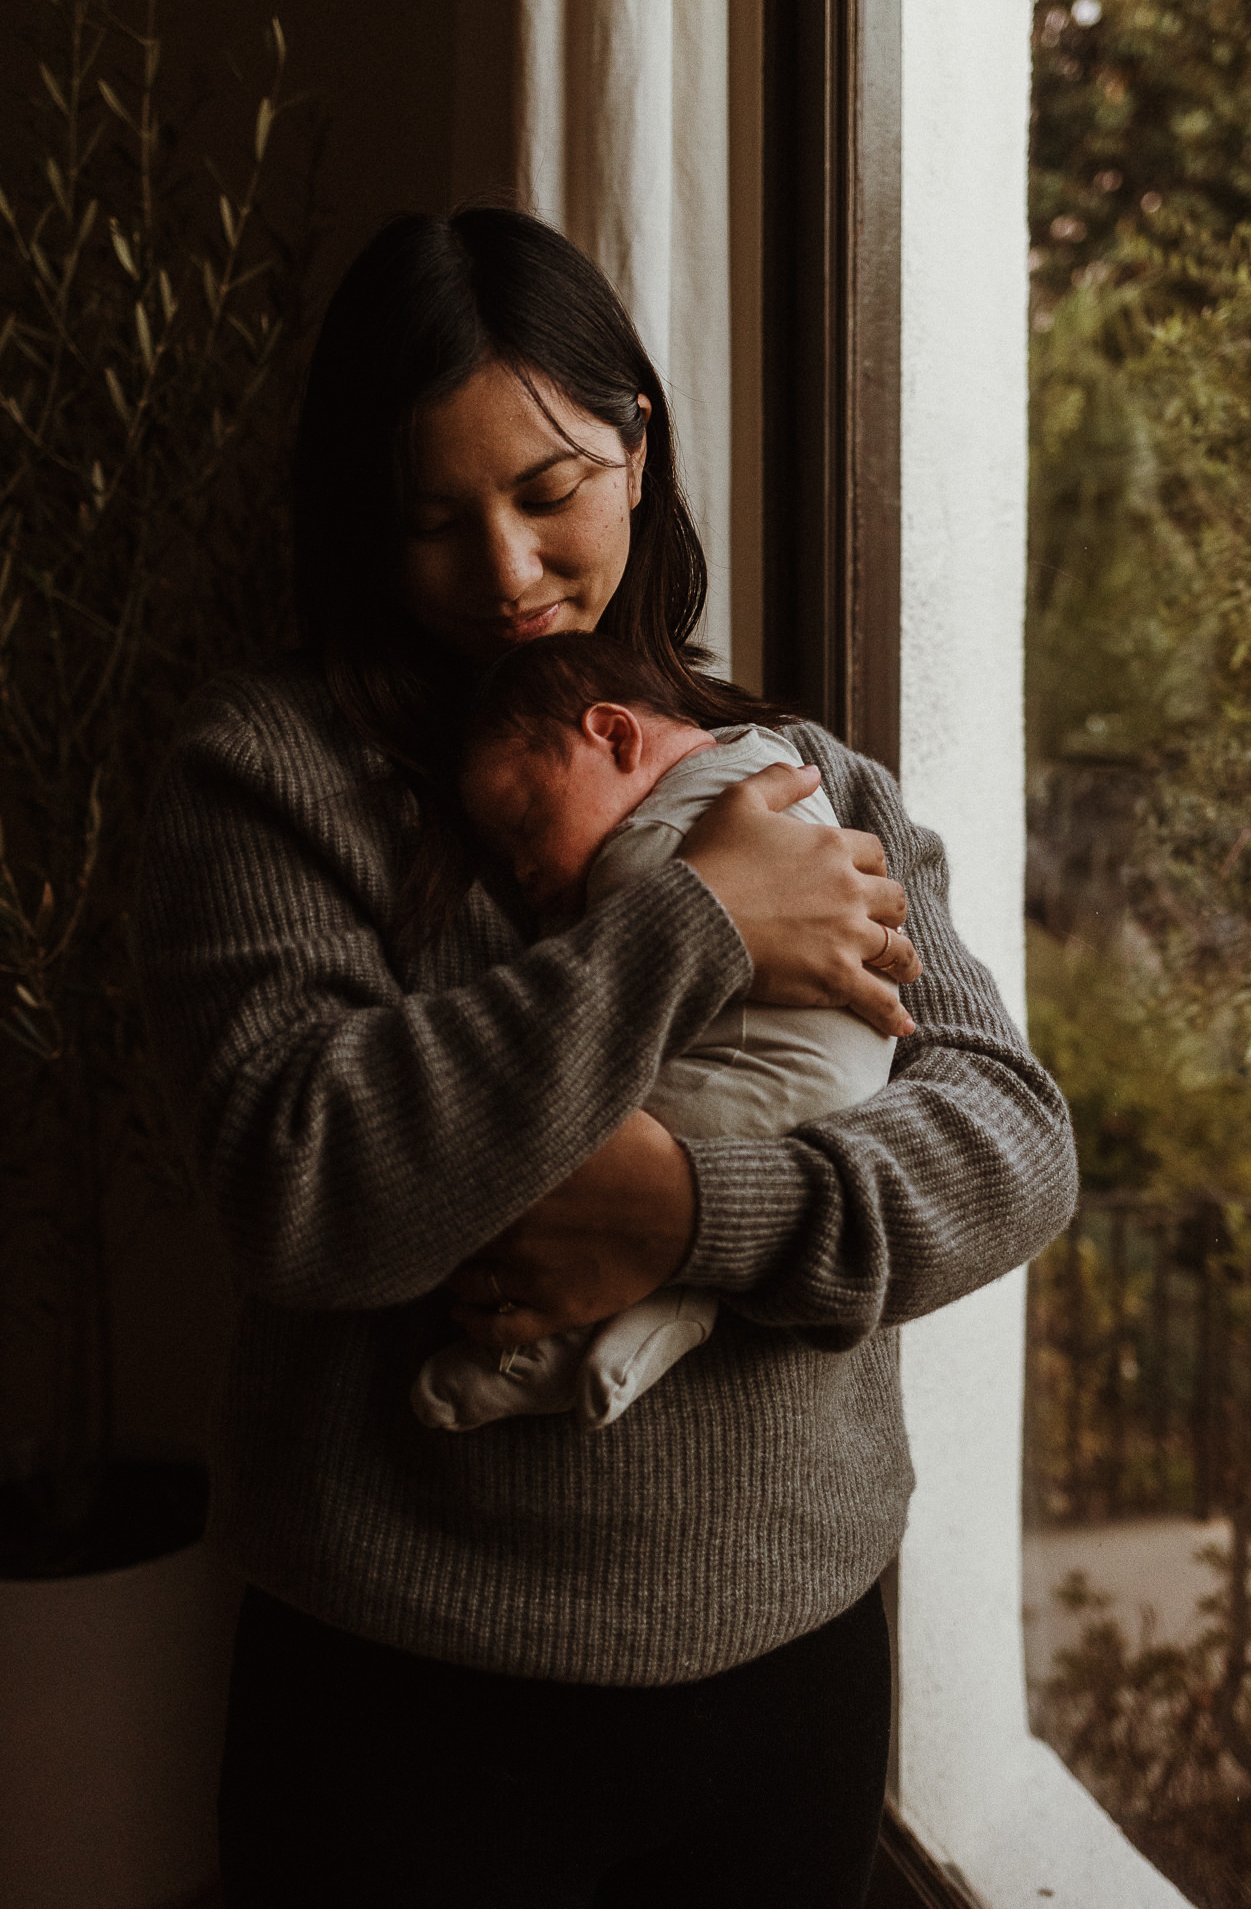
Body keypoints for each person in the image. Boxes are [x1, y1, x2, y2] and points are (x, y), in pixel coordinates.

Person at [133, 207, 1077, 1909]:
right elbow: (298, 1184)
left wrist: (685, 1213)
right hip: (403, 1699)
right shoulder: (268, 772)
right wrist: (693, 928)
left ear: (635, 453)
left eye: (545, 490)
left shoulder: (798, 781)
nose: (499, 572)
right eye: (430, 519)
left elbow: (1008, 1143)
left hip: (784, 1668)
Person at [411, 630, 898, 1433]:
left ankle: (555, 1342)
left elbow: (1015, 1136)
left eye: (528, 825)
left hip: (758, 1071)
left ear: (613, 734)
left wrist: (685, 1213)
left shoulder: (673, 830)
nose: (525, 875)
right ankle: (665, 1309)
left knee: (548, 1135)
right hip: (821, 1094)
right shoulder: (759, 763)